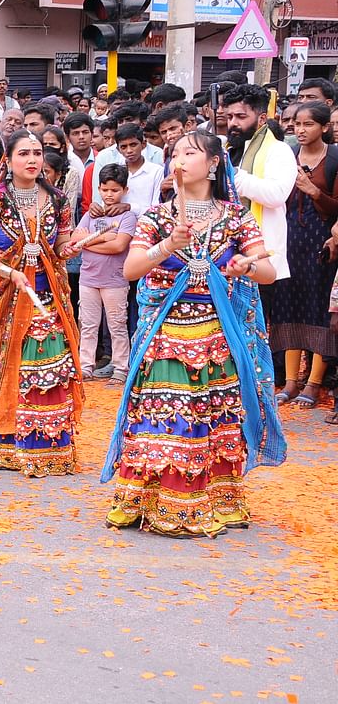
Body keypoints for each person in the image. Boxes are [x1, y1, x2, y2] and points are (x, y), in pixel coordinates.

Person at [102, 131, 285, 537]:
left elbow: (268, 270)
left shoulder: (236, 217)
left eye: (191, 152)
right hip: (167, 334)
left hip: (219, 336)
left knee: (215, 417)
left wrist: (244, 267)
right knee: (167, 414)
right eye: (176, 153)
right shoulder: (157, 216)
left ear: (215, 163)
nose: (180, 159)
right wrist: (166, 246)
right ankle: (155, 501)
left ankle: (217, 499)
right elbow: (131, 270)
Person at [0, 130, 83, 477]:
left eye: (38, 153)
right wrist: (9, 272)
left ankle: (46, 444)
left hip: (46, 295)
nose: (32, 160)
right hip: (2, 296)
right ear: (8, 160)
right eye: (23, 153)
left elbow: (60, 246)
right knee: (2, 364)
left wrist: (69, 248)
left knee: (46, 366)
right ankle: (2, 440)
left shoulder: (56, 200)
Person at [271, 102, 338, 407]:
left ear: (324, 127)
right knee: (288, 305)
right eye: (297, 124)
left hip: (321, 242)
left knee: (317, 308)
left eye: (309, 124)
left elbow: (335, 207)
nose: (300, 130)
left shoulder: (334, 158)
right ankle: (290, 381)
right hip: (288, 240)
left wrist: (312, 190)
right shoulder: (286, 157)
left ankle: (313, 382)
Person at [72, 163, 136, 384]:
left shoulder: (127, 217)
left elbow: (119, 246)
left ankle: (120, 367)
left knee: (117, 324)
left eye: (115, 190)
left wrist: (88, 241)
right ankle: (85, 365)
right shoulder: (91, 213)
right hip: (88, 277)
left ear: (125, 190)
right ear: (98, 188)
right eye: (105, 190)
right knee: (88, 324)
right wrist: (103, 237)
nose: (109, 194)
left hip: (114, 280)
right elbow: (74, 240)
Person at [223, 84, 294, 283]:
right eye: (229, 117)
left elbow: (276, 195)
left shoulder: (279, 150)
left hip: (259, 260)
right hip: (224, 255)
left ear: (262, 119)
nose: (233, 123)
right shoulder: (225, 149)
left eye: (240, 117)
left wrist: (232, 175)